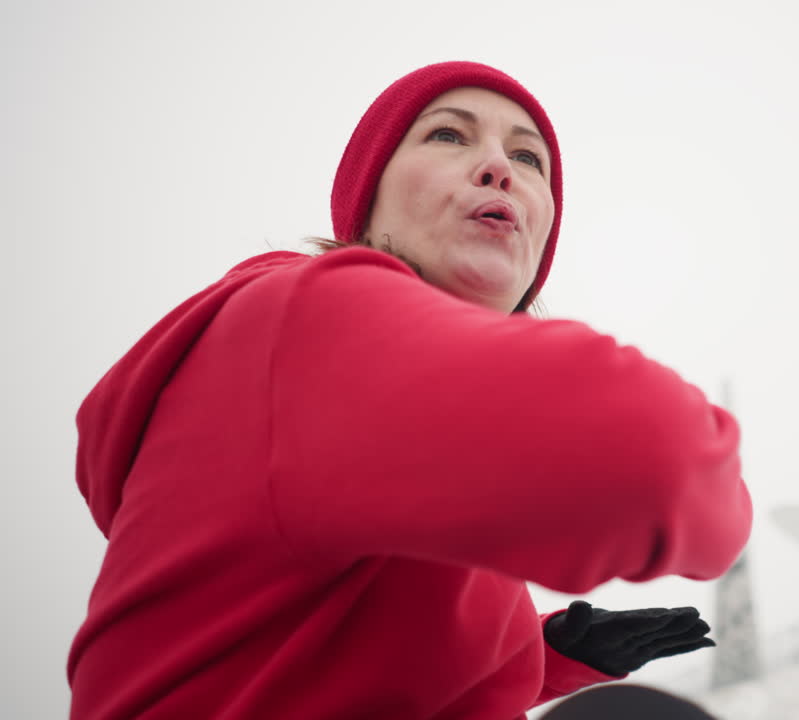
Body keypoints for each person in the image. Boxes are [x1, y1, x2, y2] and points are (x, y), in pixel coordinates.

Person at [67, 61, 752, 719]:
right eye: (448, 135)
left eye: (529, 159)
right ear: (366, 207)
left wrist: (550, 655)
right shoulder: (307, 319)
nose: (498, 169)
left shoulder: (410, 432)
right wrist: (720, 482)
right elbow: (662, 462)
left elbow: (332, 669)